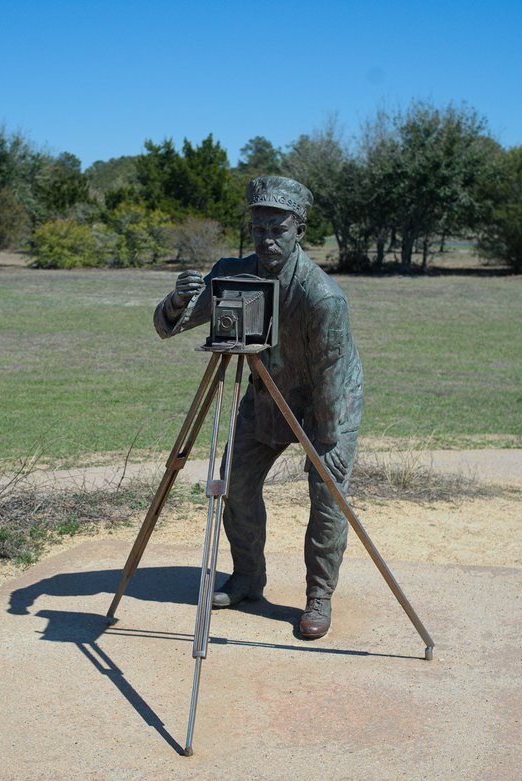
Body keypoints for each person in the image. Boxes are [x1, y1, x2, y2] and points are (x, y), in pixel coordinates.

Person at [153, 175, 364, 639]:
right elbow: (169, 327)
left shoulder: (322, 297)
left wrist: (323, 447)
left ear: (299, 231)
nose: (267, 239)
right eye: (259, 229)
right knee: (235, 484)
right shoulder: (236, 272)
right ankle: (248, 578)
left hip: (327, 400)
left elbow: (330, 378)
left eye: (278, 229)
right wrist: (178, 299)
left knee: (325, 493)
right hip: (267, 393)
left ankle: (318, 594)